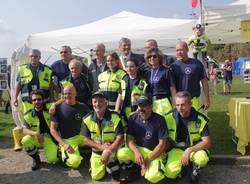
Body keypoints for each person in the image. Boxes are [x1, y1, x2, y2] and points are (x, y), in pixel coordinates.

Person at [117, 95, 167, 183]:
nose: (141, 108)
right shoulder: (133, 117)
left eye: (144, 106)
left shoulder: (160, 119)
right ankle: (136, 169)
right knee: (122, 153)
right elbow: (129, 138)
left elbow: (162, 144)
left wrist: (148, 159)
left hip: (154, 152)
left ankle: (148, 167)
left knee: (153, 177)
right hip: (139, 150)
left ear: (151, 106)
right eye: (139, 106)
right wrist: (136, 152)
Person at [164, 91, 211, 183]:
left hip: (194, 148)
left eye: (183, 105)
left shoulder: (200, 119)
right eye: (177, 105)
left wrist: (189, 150)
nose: (180, 108)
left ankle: (195, 172)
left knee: (202, 158)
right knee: (170, 173)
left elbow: (207, 142)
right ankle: (183, 170)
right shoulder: (168, 117)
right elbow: (162, 138)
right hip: (176, 149)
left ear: (190, 104)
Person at [13, 49, 54, 151]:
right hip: (28, 102)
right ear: (29, 57)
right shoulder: (22, 69)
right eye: (31, 56)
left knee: (44, 120)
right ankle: (31, 141)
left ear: (40, 57)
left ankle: (45, 140)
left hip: (43, 101)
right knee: (28, 122)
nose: (33, 58)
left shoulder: (47, 70)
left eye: (36, 56)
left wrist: (53, 99)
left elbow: (50, 86)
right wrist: (15, 97)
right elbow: (19, 84)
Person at [82, 91, 124, 183]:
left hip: (113, 150)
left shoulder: (115, 117)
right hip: (97, 151)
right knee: (96, 177)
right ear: (92, 103)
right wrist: (101, 147)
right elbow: (85, 140)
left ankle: (115, 166)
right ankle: (96, 165)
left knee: (117, 166)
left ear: (106, 103)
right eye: (95, 102)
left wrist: (108, 151)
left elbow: (120, 138)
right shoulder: (87, 119)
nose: (98, 104)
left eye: (100, 101)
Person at [50, 85, 90, 168]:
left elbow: (92, 121)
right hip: (68, 140)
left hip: (81, 136)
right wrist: (64, 144)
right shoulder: (58, 109)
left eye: (70, 93)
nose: (67, 96)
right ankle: (63, 153)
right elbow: (53, 129)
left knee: (100, 142)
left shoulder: (82, 106)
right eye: (65, 94)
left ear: (76, 93)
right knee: (75, 163)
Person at [21, 90, 59, 171]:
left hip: (48, 138)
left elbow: (63, 99)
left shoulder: (50, 109)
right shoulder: (28, 115)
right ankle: (36, 159)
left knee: (53, 159)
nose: (37, 101)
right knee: (25, 140)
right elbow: (24, 130)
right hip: (36, 138)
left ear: (43, 100)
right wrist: (35, 133)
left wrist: (54, 105)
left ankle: (57, 151)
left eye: (39, 99)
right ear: (31, 102)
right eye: (34, 100)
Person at [171, 41, 210, 111]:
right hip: (179, 102)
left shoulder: (197, 64)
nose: (179, 52)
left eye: (181, 50)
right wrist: (174, 102)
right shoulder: (173, 66)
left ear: (187, 50)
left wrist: (207, 98)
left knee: (193, 121)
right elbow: (172, 87)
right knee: (180, 122)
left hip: (193, 100)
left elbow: (204, 81)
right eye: (177, 50)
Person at [144, 47, 176, 117]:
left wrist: (174, 105)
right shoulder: (147, 73)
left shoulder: (166, 71)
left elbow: (173, 89)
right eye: (149, 56)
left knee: (167, 124)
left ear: (159, 58)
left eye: (154, 56)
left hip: (164, 101)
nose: (152, 58)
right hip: (152, 103)